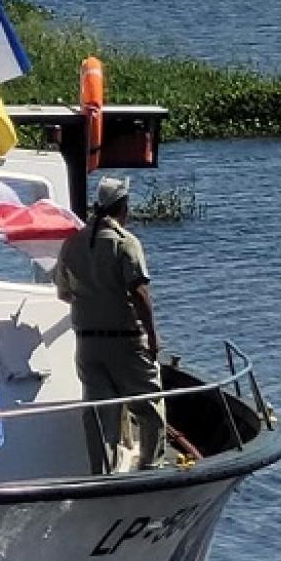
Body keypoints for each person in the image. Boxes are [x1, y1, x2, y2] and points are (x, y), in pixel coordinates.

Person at [51, 176, 166, 474]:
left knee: (101, 414)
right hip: (125, 341)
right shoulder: (125, 244)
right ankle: (149, 466)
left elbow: (64, 293)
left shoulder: (72, 244)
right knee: (149, 406)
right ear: (123, 207)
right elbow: (139, 293)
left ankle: (102, 474)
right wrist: (153, 336)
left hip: (88, 344)